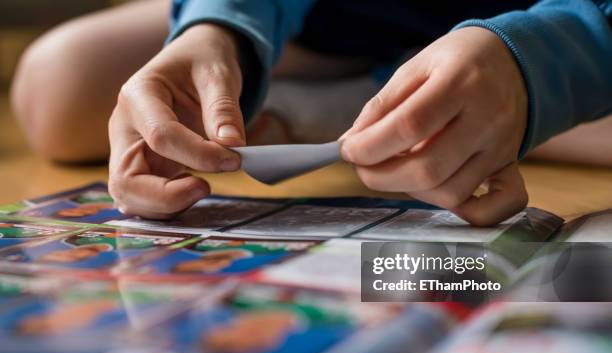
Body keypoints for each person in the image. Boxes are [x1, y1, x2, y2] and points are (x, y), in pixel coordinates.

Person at [11, 0, 612, 226]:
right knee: (57, 83)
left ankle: (424, 107)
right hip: (340, 20)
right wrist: (217, 26)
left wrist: (540, 61)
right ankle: (403, 103)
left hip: (563, 22)